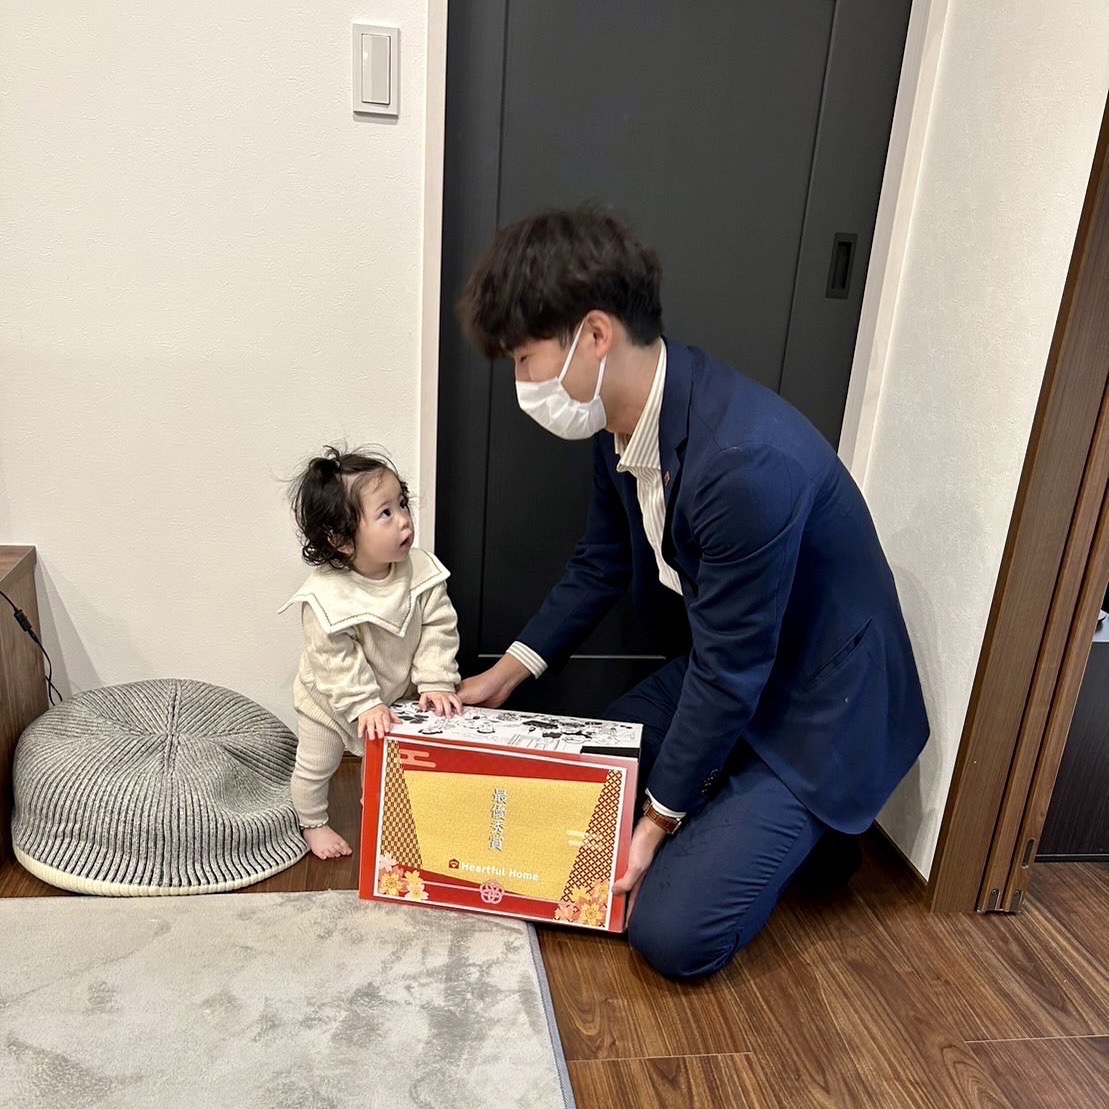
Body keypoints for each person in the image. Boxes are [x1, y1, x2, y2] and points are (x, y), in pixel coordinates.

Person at [456, 207, 929, 979]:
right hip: (738, 663)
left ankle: (810, 828)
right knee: (571, 791)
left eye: (523, 358)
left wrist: (656, 823)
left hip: (821, 699)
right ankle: (740, 800)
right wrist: (505, 675)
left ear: (595, 335)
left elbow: (733, 667)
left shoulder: (741, 461)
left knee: (668, 932)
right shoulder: (620, 421)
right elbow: (600, 563)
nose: (523, 382)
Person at [282, 446, 462, 859]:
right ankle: (312, 823)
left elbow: (438, 626)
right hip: (329, 702)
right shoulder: (327, 596)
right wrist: (364, 703)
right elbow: (334, 659)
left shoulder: (421, 572)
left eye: (402, 504)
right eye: (385, 513)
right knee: (315, 765)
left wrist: (435, 680)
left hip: (393, 694)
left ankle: (377, 809)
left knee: (386, 761)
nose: (404, 520)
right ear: (343, 540)